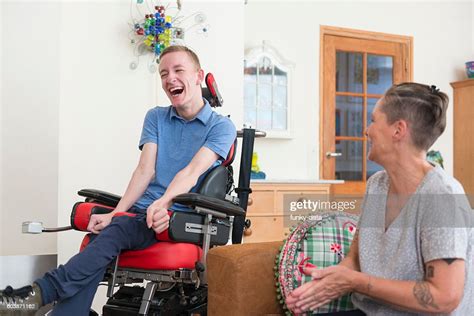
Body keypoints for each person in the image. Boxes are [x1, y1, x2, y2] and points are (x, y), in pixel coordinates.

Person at [0, 45, 236, 315]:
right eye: (163, 73)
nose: (170, 78)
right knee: (104, 241)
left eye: (178, 70)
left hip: (179, 218)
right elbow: (144, 171)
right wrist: (117, 212)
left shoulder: (221, 127)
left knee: (112, 235)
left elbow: (191, 172)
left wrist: (162, 203)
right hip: (141, 216)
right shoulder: (156, 117)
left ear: (198, 75)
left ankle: (35, 295)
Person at [286, 83, 473, 315]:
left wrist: (354, 281)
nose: (367, 130)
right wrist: (330, 282)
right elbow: (356, 257)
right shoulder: (377, 184)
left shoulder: (442, 197)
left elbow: (444, 297)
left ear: (398, 130)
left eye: (374, 120)